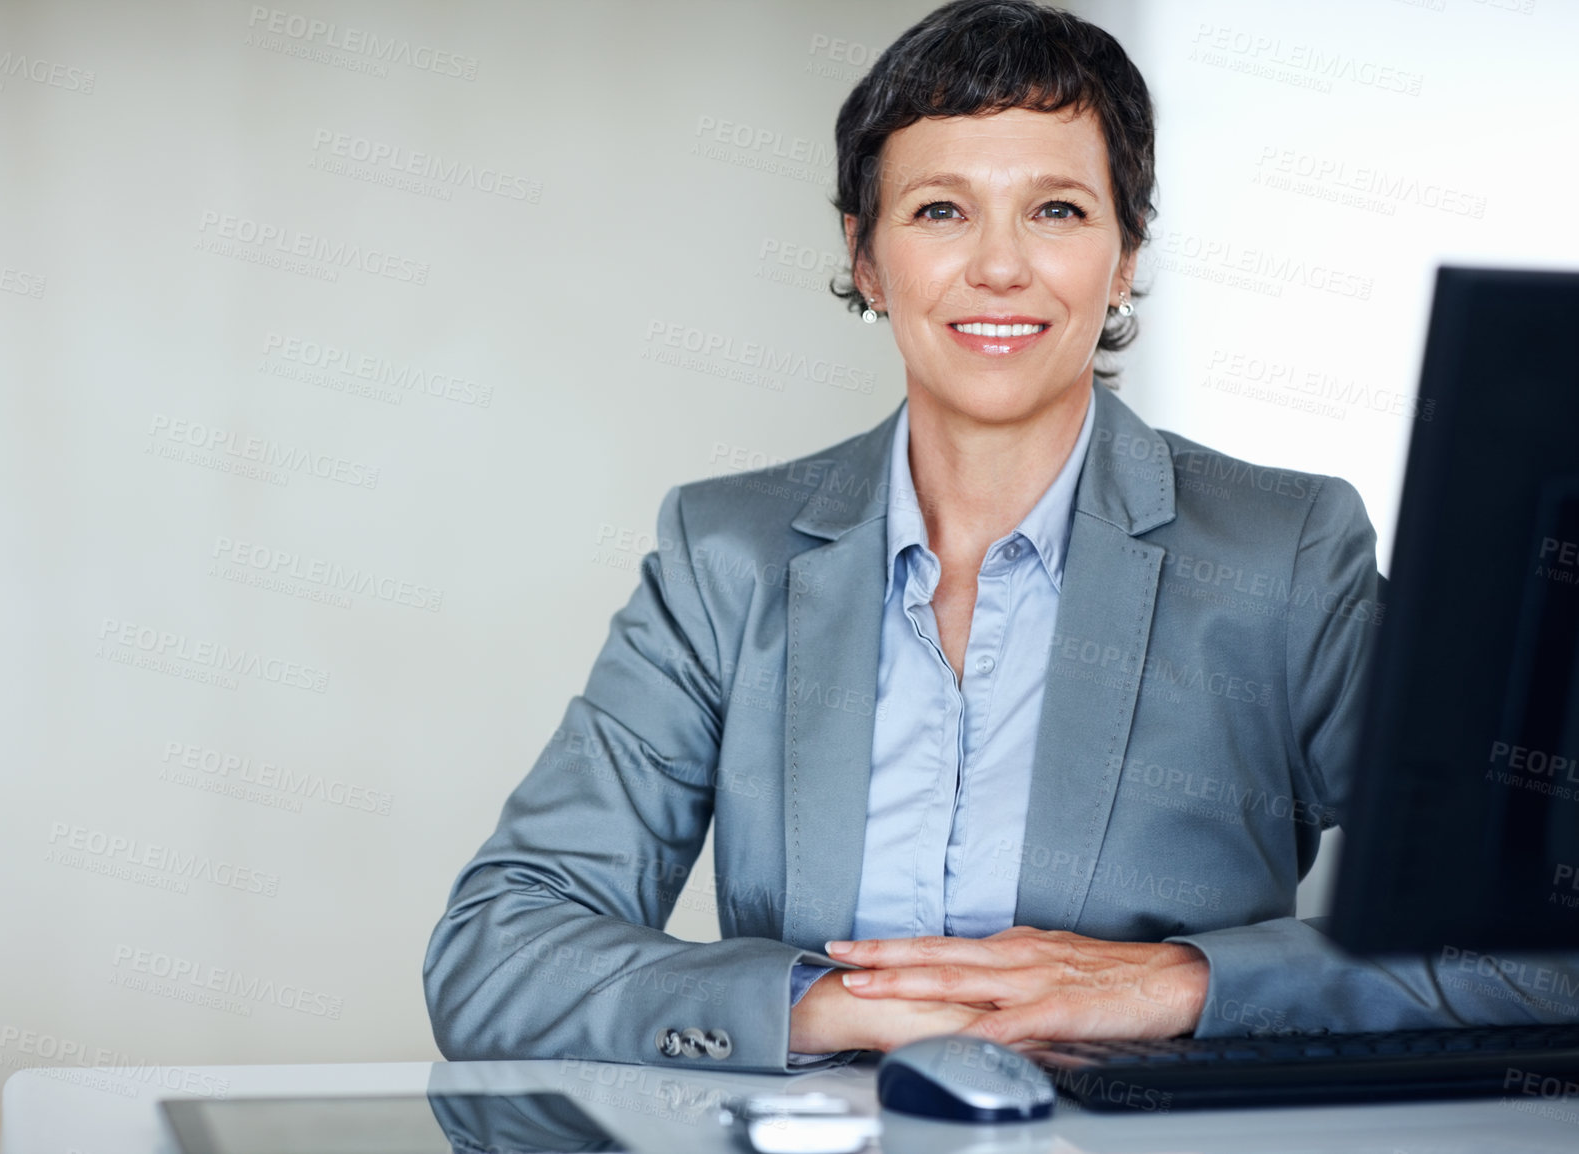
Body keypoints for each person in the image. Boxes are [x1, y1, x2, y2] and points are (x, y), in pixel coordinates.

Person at [425, 0, 1577, 1073]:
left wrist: (1181, 982)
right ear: (866, 257)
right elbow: (496, 949)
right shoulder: (728, 554)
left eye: (1058, 209)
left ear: (1125, 255)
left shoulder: (1282, 553)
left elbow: (1530, 941)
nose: (999, 266)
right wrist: (818, 1005)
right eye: (939, 209)